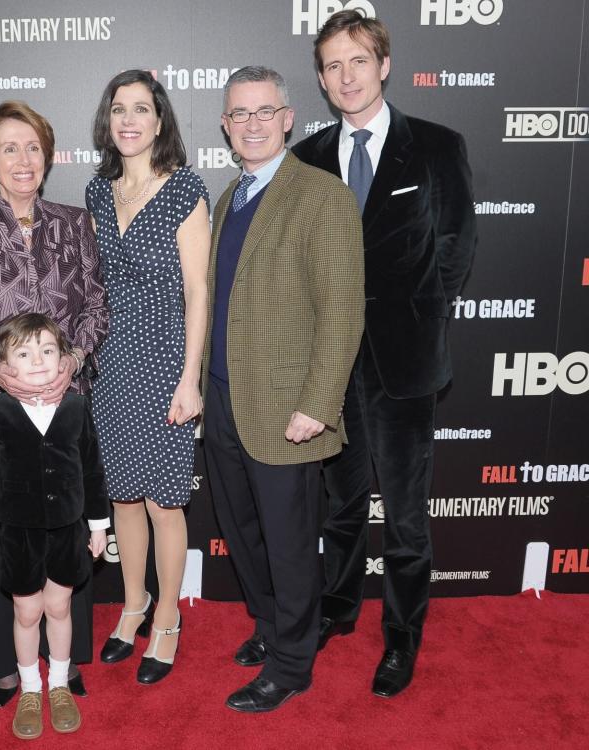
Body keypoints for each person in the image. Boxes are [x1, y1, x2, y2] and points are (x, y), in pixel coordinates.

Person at [291, 10, 476, 698]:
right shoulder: (306, 157)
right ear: (320, 76)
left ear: (384, 65)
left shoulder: (434, 145)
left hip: (404, 365)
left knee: (403, 514)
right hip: (330, 369)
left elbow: (456, 247)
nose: (346, 76)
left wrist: (421, 320)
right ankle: (339, 611)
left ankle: (401, 639)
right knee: (339, 507)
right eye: (333, 65)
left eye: (358, 61)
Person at [0, 100, 109, 707]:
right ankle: (1, 661)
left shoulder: (75, 222)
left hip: (66, 401)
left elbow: (95, 310)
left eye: (32, 146)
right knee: (3, 530)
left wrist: (72, 362)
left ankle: (64, 659)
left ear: (47, 154)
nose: (23, 159)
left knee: (65, 520)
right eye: (9, 148)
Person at [203, 66, 364, 713]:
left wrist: (318, 406)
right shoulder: (227, 198)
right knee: (244, 533)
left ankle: (293, 664)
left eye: (264, 111)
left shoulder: (322, 196)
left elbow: (343, 311)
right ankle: (270, 630)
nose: (252, 123)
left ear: (290, 117)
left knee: (292, 542)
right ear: (225, 124)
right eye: (239, 114)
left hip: (288, 409)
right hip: (224, 403)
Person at [86, 69, 210, 684]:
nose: (129, 119)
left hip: (166, 363)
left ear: (160, 121)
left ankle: (167, 615)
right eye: (118, 109)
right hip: (112, 366)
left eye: (141, 108)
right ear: (108, 123)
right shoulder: (96, 190)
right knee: (123, 498)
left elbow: (198, 291)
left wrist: (190, 380)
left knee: (164, 501)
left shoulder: (185, 188)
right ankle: (132, 602)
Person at [0, 313, 109, 739]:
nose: (38, 360)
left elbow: (92, 470)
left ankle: (59, 683)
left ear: (63, 356)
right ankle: (31, 689)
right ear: (5, 363)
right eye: (25, 353)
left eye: (48, 351)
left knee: (60, 607)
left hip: (68, 529)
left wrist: (100, 525)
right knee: (27, 611)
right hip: (17, 532)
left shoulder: (78, 406)